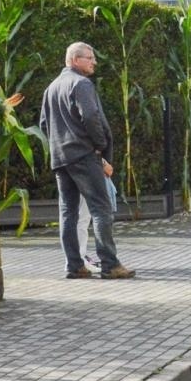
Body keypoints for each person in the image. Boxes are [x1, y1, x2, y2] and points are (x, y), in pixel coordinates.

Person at [40, 43, 134, 281]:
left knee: (68, 212)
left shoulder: (51, 88)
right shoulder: (81, 83)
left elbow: (44, 124)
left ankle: (75, 266)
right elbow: (91, 116)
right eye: (89, 58)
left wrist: (57, 144)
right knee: (101, 209)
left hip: (60, 158)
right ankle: (110, 265)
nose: (94, 62)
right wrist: (99, 145)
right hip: (83, 154)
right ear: (74, 59)